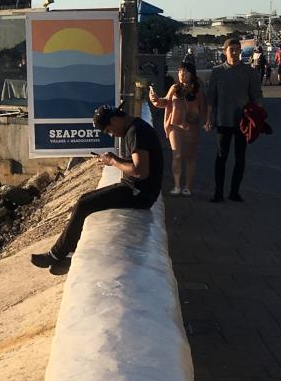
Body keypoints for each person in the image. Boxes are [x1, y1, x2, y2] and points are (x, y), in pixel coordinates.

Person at [31, 103, 164, 268]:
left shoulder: (136, 132)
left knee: (84, 204)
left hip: (140, 193)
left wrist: (113, 161)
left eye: (108, 130)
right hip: (134, 188)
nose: (111, 134)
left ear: (115, 120)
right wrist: (113, 160)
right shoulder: (134, 128)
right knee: (85, 199)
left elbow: (140, 171)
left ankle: (56, 255)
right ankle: (68, 251)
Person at [205, 37, 263, 203]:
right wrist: (209, 119)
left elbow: (257, 96)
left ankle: (235, 192)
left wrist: (259, 115)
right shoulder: (217, 71)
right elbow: (211, 98)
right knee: (221, 156)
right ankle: (218, 192)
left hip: (243, 121)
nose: (236, 53)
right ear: (225, 52)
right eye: (232, 50)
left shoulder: (250, 72)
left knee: (240, 157)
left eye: (238, 50)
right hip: (223, 120)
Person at [149, 61, 206, 196]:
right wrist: (155, 99)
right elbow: (165, 102)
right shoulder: (174, 88)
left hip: (191, 127)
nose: (182, 74)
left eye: (185, 71)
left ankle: (188, 186)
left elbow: (203, 109)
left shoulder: (198, 91)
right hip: (174, 126)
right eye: (180, 71)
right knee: (177, 155)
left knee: (190, 157)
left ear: (192, 74)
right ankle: (176, 185)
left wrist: (207, 121)